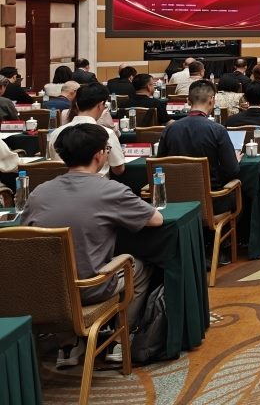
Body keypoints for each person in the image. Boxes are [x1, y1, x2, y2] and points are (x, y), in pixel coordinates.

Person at [24, 123, 162, 368]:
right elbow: (156, 219)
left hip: (47, 292)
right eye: (107, 149)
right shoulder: (110, 190)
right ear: (99, 155)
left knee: (59, 269)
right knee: (139, 268)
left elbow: (25, 236)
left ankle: (68, 345)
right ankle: (120, 340)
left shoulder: (38, 193)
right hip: (90, 289)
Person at [158, 80, 240, 211]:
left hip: (174, 201)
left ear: (188, 101)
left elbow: (160, 165)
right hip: (212, 201)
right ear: (211, 100)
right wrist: (235, 159)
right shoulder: (218, 130)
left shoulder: (169, 129)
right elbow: (232, 170)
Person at [47, 82, 126, 177]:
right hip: (98, 185)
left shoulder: (55, 133)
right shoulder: (106, 133)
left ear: (76, 105)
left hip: (61, 185)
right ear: (101, 105)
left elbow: (52, 164)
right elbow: (118, 170)